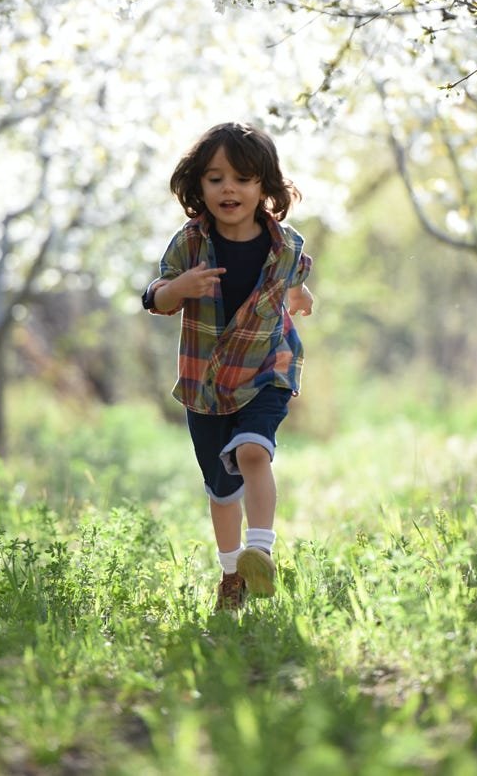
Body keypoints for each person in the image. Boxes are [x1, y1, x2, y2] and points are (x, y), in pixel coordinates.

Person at [142, 121, 314, 611]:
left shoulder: (286, 245)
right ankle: (232, 572)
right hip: (208, 382)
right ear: (198, 187)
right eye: (216, 179)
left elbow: (294, 279)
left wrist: (301, 297)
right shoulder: (190, 244)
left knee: (253, 453)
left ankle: (260, 551)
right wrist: (178, 290)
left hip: (267, 367)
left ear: (265, 187)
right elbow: (155, 295)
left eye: (242, 178)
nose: (229, 189)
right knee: (222, 488)